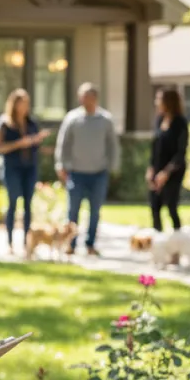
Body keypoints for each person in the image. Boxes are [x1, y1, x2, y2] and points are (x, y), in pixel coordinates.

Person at [55, 83, 119, 256]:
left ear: (95, 98)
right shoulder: (72, 118)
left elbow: (112, 145)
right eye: (82, 97)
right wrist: (60, 165)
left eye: (88, 97)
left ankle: (90, 244)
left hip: (99, 172)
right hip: (76, 172)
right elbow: (63, 144)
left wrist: (113, 166)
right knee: (72, 210)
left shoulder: (105, 120)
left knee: (95, 211)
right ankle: (71, 243)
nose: (85, 100)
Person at [0, 89, 50, 255]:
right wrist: (19, 143)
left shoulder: (31, 123)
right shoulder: (5, 123)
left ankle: (28, 242)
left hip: (29, 167)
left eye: (27, 103)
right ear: (14, 104)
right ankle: (10, 242)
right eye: (21, 103)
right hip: (12, 168)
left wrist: (38, 141)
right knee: (12, 203)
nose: (25, 107)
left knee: (28, 205)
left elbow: (36, 147)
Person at [147, 87, 189, 232]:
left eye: (159, 99)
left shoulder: (180, 123)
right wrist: (151, 169)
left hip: (174, 171)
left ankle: (177, 244)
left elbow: (180, 152)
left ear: (168, 101)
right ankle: (158, 244)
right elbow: (155, 147)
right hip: (157, 168)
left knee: (171, 206)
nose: (156, 102)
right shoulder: (159, 120)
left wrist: (166, 173)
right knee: (154, 206)